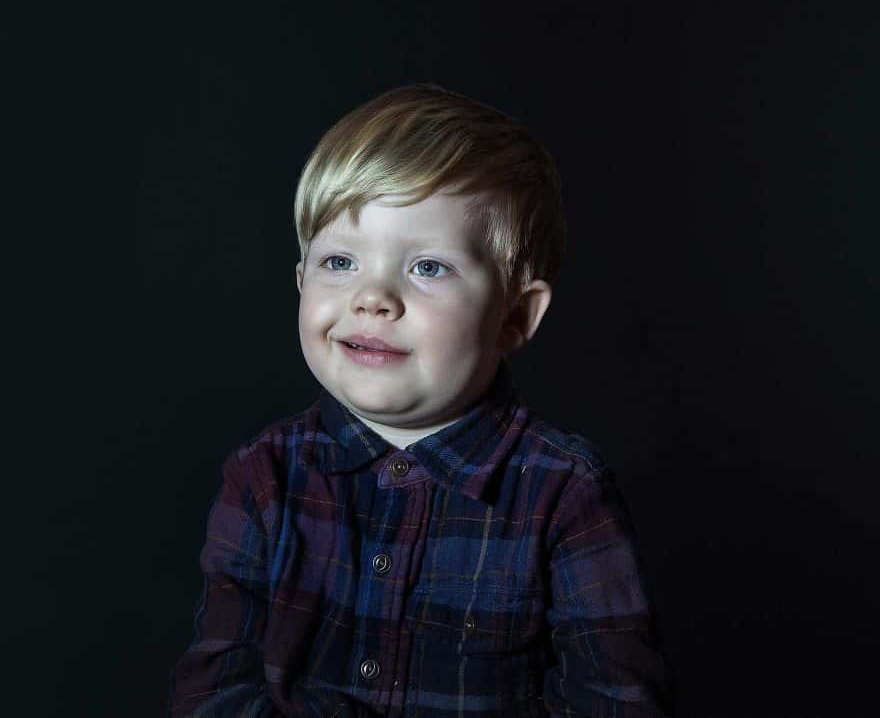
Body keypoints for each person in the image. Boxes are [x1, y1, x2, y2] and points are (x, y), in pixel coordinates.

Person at [167, 83, 674, 717]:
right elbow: (217, 693)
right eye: (340, 261)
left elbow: (615, 704)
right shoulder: (263, 477)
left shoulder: (565, 493)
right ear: (300, 279)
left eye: (427, 267)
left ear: (516, 316)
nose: (372, 297)